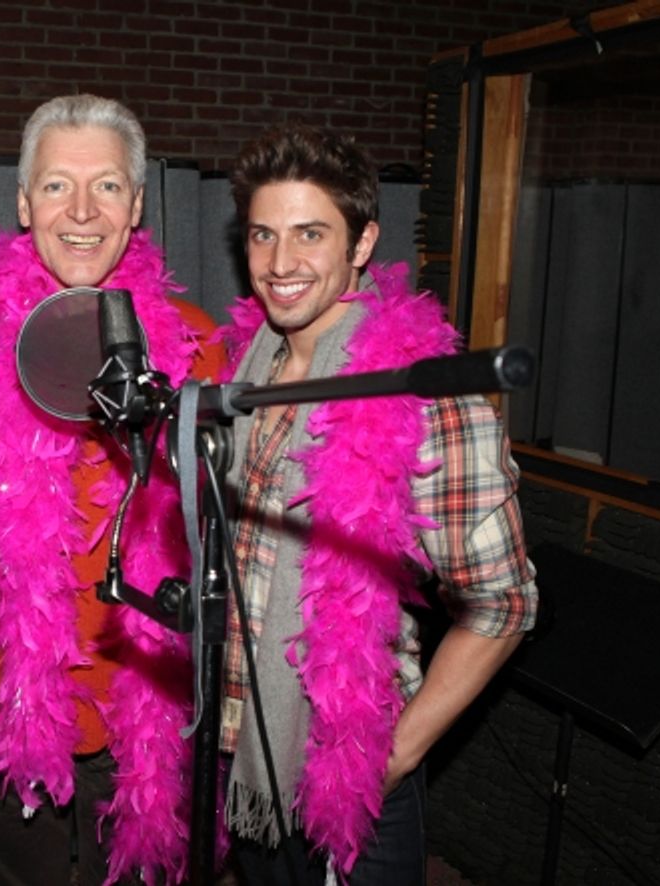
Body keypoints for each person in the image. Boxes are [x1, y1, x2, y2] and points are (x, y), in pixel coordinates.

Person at [0, 94, 224, 886]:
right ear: (23, 203)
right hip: (10, 703)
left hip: (153, 703)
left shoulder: (196, 345)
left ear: (138, 205)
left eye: (107, 186)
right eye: (56, 186)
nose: (81, 211)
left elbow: (233, 531)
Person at [215, 124, 538, 885]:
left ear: (362, 243)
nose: (281, 264)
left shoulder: (420, 394)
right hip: (250, 756)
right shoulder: (248, 368)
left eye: (310, 234)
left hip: (349, 777)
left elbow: (505, 604)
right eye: (263, 235)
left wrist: (385, 761)